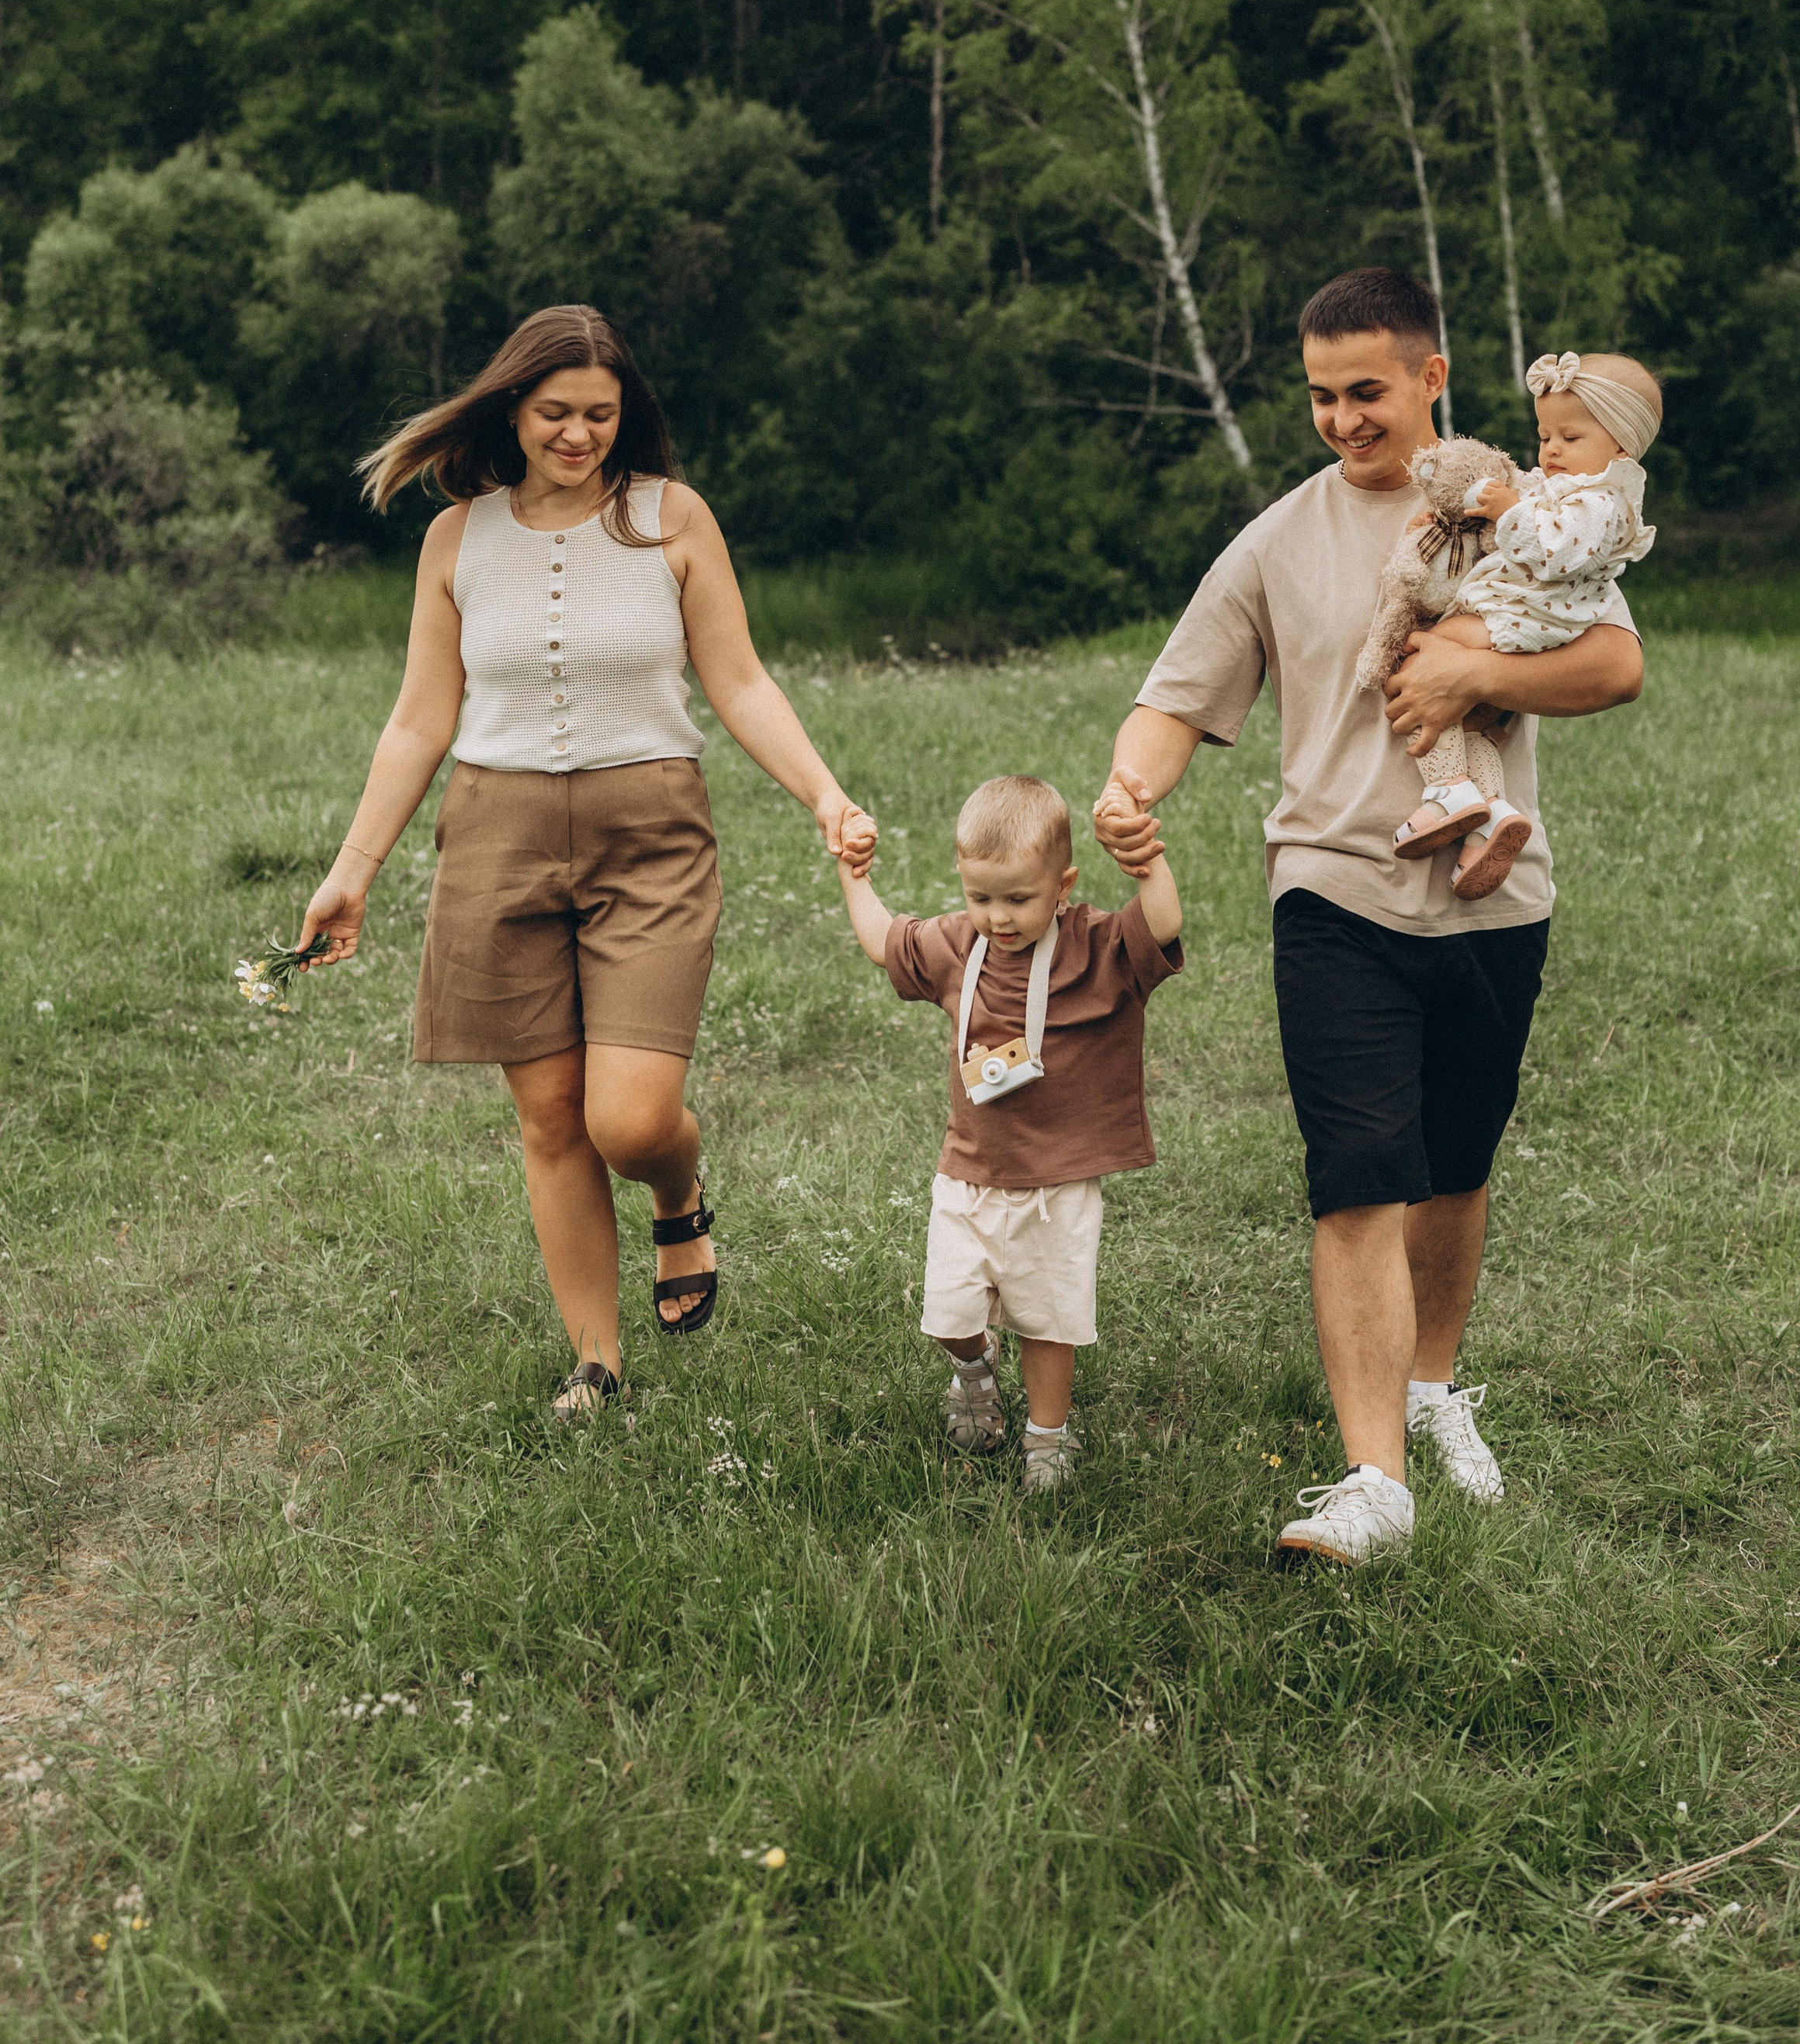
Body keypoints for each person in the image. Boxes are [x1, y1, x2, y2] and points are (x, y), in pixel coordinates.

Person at [1090, 268, 1643, 1564]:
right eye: (1323, 397)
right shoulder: (1279, 539)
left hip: (1498, 897)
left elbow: (1617, 662)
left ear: (1432, 379)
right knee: (1358, 1177)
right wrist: (1130, 787)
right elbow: (1175, 696)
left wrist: (1475, 667)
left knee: (1455, 1169)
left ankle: (1433, 1392)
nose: (1343, 419)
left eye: (1369, 392)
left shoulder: (1523, 511)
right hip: (1333, 891)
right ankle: (1373, 1481)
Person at [297, 305, 876, 1420]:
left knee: (630, 1116)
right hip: (495, 837)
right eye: (556, 412)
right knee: (551, 1115)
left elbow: (740, 681)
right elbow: (420, 719)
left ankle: (680, 1193)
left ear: (628, 415)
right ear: (511, 407)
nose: (579, 434)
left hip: (649, 836)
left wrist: (824, 793)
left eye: (600, 415)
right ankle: (596, 1361)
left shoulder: (672, 519)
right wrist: (352, 868)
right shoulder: (457, 539)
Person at [835, 774, 1181, 1491]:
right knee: (947, 1313)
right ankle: (974, 1369)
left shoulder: (1096, 947)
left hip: (1057, 1187)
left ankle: (1047, 1441)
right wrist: (853, 875)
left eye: (1019, 898)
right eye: (980, 896)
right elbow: (881, 942)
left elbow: (1164, 926)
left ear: (1064, 883)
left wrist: (1147, 865)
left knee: (1049, 1323)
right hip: (968, 1175)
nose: (997, 916)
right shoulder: (958, 946)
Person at [1387, 348, 1662, 897]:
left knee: (1416, 661)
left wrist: (1511, 509)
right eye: (1544, 435)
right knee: (1472, 725)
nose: (1552, 449)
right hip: (1517, 615)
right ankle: (1490, 815)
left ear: (1622, 447)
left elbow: (1554, 548)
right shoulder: (1568, 488)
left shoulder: (1603, 505)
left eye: (1570, 437)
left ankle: (1447, 789)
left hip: (1523, 619)